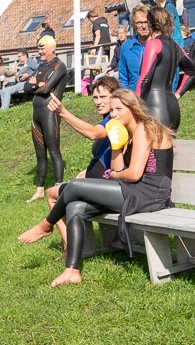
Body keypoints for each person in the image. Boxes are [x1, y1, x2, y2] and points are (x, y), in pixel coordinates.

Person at [19, 88, 174, 286]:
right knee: (75, 207)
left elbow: (133, 174)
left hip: (150, 195)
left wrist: (115, 175)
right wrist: (117, 146)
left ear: (133, 108)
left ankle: (46, 225)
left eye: (119, 109)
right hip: (134, 191)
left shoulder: (144, 129)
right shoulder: (128, 133)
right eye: (112, 110)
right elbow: (118, 169)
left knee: (76, 186)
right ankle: (72, 270)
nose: (114, 114)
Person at [44, 75, 121, 236]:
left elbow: (94, 134)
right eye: (95, 97)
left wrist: (63, 112)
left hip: (108, 188)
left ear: (115, 97)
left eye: (103, 97)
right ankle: (69, 245)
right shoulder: (107, 119)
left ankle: (66, 243)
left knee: (52, 195)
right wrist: (88, 171)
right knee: (55, 193)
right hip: (97, 181)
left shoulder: (114, 121)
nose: (98, 102)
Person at [135, 5, 195, 131]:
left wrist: (135, 107)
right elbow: (192, 72)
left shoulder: (153, 44)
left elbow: (144, 79)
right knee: (169, 144)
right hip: (172, 107)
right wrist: (177, 95)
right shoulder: (176, 46)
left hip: (155, 108)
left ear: (150, 23)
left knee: (152, 144)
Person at [27, 36, 69, 202]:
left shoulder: (59, 66)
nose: (40, 51)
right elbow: (26, 87)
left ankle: (59, 188)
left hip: (50, 112)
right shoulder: (41, 66)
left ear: (52, 48)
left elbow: (46, 89)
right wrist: (36, 85)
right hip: (36, 113)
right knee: (40, 154)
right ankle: (39, 190)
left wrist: (37, 84)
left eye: (42, 48)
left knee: (54, 151)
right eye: (38, 48)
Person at [117, 9, 148, 91]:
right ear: (133, 25)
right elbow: (123, 77)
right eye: (139, 23)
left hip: (157, 96)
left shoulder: (160, 44)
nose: (144, 26)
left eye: (146, 22)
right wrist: (127, 96)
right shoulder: (126, 47)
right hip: (134, 95)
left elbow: (172, 74)